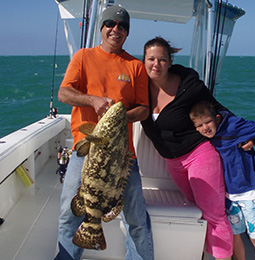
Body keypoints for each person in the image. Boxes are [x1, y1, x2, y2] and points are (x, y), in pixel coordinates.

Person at [54, 5, 153, 260]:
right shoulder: (83, 57)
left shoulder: (136, 66)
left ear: (127, 33)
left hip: (123, 157)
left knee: (137, 218)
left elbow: (143, 109)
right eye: (110, 24)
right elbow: (64, 93)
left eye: (122, 27)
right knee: (69, 212)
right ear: (101, 27)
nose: (115, 30)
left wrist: (119, 118)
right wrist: (93, 101)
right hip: (84, 150)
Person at [141, 37, 234, 260]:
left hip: (199, 155)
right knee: (197, 211)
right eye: (151, 59)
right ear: (143, 61)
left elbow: (218, 109)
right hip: (172, 162)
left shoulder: (188, 85)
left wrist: (243, 135)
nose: (156, 64)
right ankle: (203, 254)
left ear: (170, 61)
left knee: (213, 214)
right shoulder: (139, 88)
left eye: (162, 59)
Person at [190, 100, 255, 260]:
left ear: (217, 118)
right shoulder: (206, 136)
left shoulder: (234, 126)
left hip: (250, 191)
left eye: (207, 122)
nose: (205, 128)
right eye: (199, 125)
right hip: (229, 195)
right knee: (235, 235)